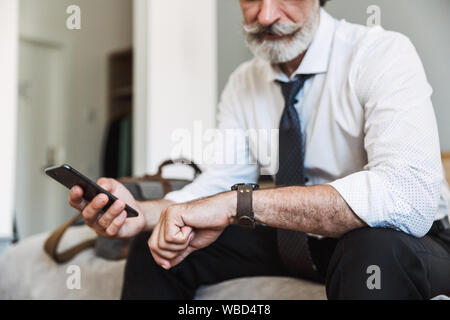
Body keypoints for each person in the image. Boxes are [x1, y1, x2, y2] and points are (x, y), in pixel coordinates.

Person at [69, 0, 450, 299]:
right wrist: (143, 213)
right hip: (297, 240)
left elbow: (408, 195)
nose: (265, 15)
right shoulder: (242, 82)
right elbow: (221, 181)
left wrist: (241, 205)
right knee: (155, 249)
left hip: (405, 241)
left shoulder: (380, 53)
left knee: (372, 250)